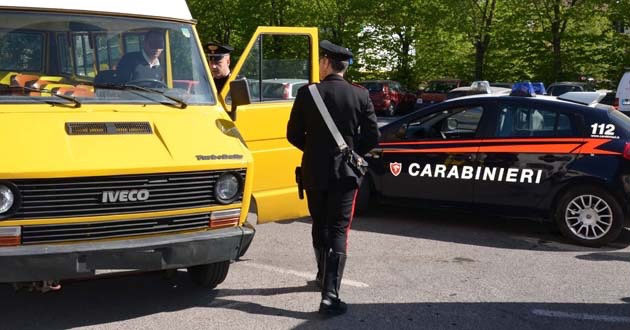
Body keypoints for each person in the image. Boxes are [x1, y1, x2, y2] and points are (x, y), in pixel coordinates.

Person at [286, 40, 379, 316]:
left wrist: (314, 151)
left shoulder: (307, 93)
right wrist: (351, 153)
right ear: (345, 67)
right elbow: (373, 136)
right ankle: (330, 295)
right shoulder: (360, 95)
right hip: (345, 173)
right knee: (339, 230)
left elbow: (292, 134)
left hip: (314, 171)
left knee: (320, 224)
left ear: (327, 63)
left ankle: (320, 275)